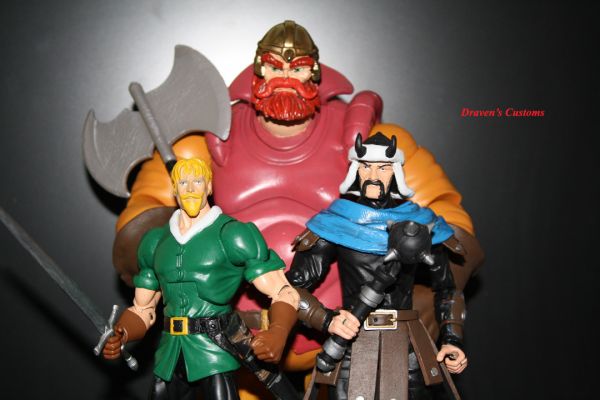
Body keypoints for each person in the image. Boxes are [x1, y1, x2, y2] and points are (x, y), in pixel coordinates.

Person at [107, 20, 483, 398]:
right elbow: (141, 227)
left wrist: (421, 289)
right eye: (274, 66)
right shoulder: (203, 146)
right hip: (234, 346)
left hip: (349, 342)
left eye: (298, 67)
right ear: (258, 70)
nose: (285, 77)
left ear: (315, 72)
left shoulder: (372, 148)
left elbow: (449, 223)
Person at [287, 133, 468, 399]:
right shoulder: (336, 222)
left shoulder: (418, 225)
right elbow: (290, 290)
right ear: (355, 170)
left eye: (382, 167)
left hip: (406, 347)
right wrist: (327, 320)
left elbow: (448, 289)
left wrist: (452, 339)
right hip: (353, 342)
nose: (373, 175)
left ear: (395, 172)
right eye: (365, 166)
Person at [102, 158, 300, 399]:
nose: (190, 189)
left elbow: (283, 291)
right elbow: (143, 309)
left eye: (197, 181)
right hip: (170, 353)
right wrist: (123, 332)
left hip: (214, 350)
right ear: (174, 189)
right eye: (183, 183)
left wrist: (278, 332)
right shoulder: (155, 242)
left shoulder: (232, 234)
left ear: (209, 186)